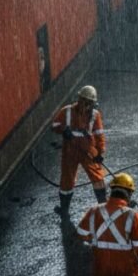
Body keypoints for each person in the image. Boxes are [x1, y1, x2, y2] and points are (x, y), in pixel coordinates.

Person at [52, 85, 107, 215]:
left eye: (89, 102)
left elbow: (99, 134)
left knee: (97, 177)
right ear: (80, 99)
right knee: (67, 179)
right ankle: (64, 209)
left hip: (88, 150)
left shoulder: (95, 115)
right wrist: (63, 130)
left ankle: (104, 207)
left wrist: (100, 152)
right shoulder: (67, 111)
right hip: (70, 150)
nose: (87, 105)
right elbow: (54, 125)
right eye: (85, 101)